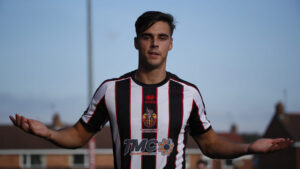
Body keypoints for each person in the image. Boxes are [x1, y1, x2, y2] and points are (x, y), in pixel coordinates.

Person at [10, 11, 293, 169]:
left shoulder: (188, 94)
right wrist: (47, 133)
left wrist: (247, 147)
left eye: (162, 37)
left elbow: (210, 145)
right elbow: (77, 136)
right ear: (136, 42)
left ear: (171, 43)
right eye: (147, 37)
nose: (154, 44)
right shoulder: (110, 91)